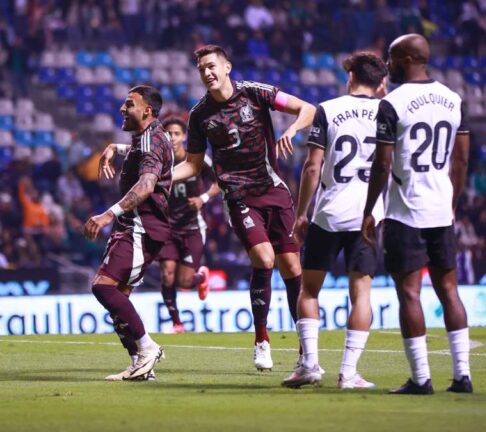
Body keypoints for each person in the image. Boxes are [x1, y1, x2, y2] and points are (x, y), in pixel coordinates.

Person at [172, 44, 316, 370]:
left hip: (274, 190)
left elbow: (307, 108)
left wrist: (292, 130)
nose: (207, 73)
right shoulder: (199, 116)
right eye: (201, 69)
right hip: (238, 196)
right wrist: (160, 177)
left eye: (211, 66)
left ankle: (306, 349)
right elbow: (193, 166)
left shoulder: (255, 93)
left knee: (293, 269)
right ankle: (262, 340)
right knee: (264, 259)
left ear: (227, 67)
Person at [361, 34, 472, 394]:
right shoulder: (455, 99)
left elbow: (382, 163)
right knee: (449, 290)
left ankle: (421, 379)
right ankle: (462, 376)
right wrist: (452, 202)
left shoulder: (392, 103)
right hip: (441, 210)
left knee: (410, 294)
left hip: (405, 211)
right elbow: (462, 158)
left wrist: (368, 210)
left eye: (392, 58)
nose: (387, 65)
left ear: (408, 58)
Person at [281, 52, 387, 389]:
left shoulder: (329, 109)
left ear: (351, 76)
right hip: (368, 216)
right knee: (361, 294)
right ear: (380, 83)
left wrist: (301, 214)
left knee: (309, 291)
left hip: (329, 214)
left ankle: (309, 365)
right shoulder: (389, 112)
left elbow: (313, 166)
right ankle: (349, 373)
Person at [84, 85, 173, 381]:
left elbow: (147, 184)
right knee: (119, 297)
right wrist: (114, 148)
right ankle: (139, 364)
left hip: (140, 225)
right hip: (140, 225)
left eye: (128, 104)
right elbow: (142, 150)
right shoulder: (149, 138)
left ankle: (147, 349)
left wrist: (108, 213)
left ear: (147, 110)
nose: (122, 109)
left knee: (102, 286)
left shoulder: (150, 140)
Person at [156, 116, 218, 333]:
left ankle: (201, 276)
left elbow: (221, 179)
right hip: (167, 228)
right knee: (167, 273)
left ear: (184, 137)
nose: (172, 137)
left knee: (184, 281)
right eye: (169, 133)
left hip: (192, 226)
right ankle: (176, 322)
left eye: (176, 133)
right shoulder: (159, 161)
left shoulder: (197, 159)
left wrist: (203, 198)